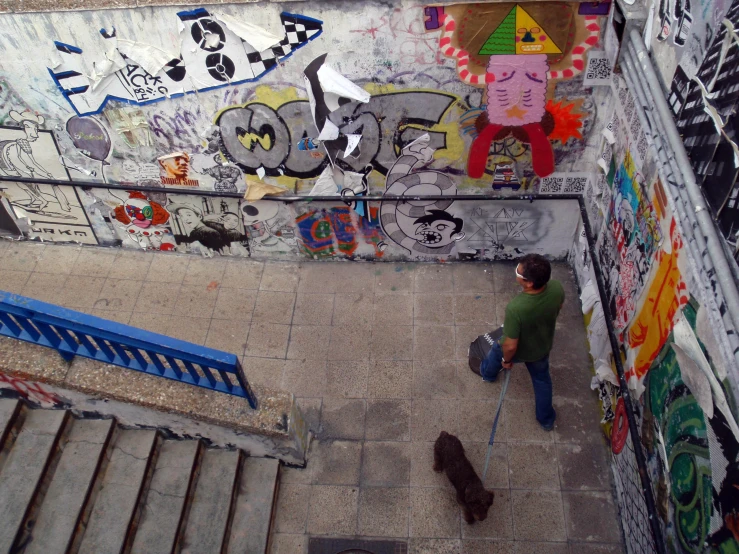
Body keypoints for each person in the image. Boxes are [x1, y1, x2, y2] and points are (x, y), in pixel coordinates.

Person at [478, 254, 564, 430]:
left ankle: (488, 374)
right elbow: (557, 308)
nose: (516, 271)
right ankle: (546, 420)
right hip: (542, 347)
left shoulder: (516, 308)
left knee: (497, 350)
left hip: (520, 350)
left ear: (529, 283)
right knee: (542, 381)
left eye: (519, 270)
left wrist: (507, 361)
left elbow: (510, 345)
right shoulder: (556, 287)